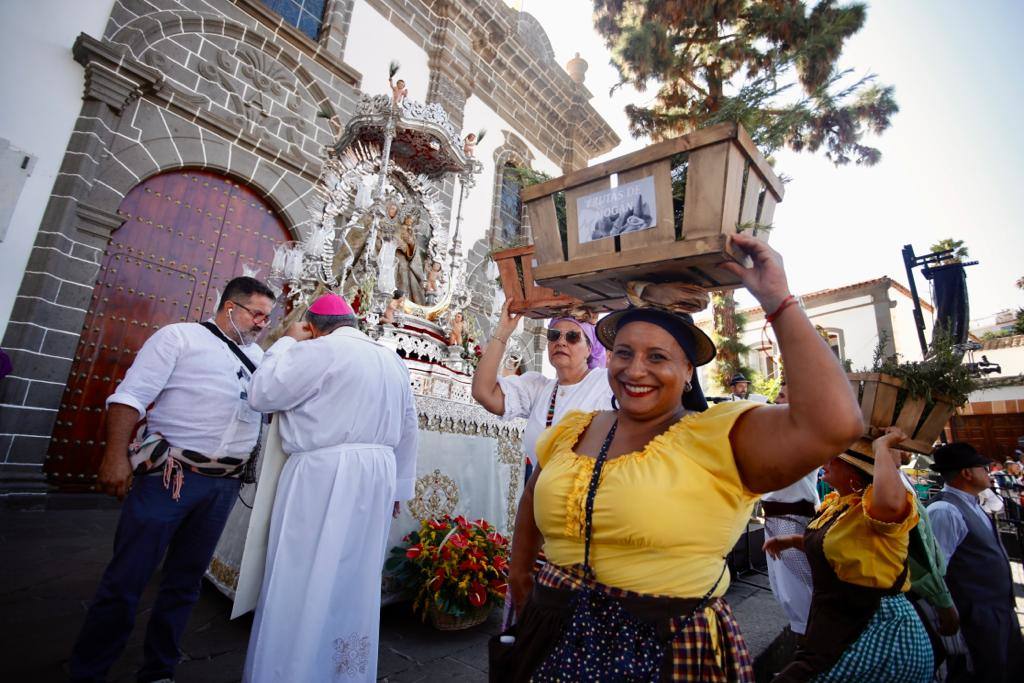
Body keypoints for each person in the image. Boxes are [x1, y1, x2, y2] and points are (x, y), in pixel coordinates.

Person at [497, 233, 864, 681]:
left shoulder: (720, 434)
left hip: (668, 645)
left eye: (658, 357)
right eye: (624, 353)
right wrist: (520, 573)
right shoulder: (575, 428)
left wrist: (778, 300)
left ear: (689, 370)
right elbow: (533, 496)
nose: (635, 370)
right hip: (552, 632)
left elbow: (836, 425)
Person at [70, 276, 276, 683]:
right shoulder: (179, 338)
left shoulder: (263, 360)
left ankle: (158, 669)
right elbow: (130, 397)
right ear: (230, 308)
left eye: (268, 318)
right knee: (127, 578)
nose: (262, 324)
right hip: (170, 477)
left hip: (223, 485)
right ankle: (89, 671)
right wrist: (115, 457)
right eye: (256, 314)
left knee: (184, 583)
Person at [242, 293, 418, 682]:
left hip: (323, 475)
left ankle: (292, 668)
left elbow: (261, 393)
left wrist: (287, 341)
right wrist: (397, 489)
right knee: (353, 578)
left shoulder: (320, 350)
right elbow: (408, 427)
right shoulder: (391, 359)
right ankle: (341, 671)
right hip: (377, 477)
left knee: (303, 572)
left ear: (314, 326)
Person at [926, 442, 1024, 682]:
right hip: (975, 617)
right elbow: (936, 570)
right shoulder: (944, 510)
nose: (988, 471)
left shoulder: (974, 503)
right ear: (966, 473)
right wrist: (946, 610)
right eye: (982, 467)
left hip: (998, 610)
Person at [760, 381, 819, 638]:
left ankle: (811, 650)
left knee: (799, 589)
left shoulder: (804, 435)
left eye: (782, 396)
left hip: (791, 517)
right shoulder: (784, 433)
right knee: (783, 588)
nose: (776, 401)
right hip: (776, 517)